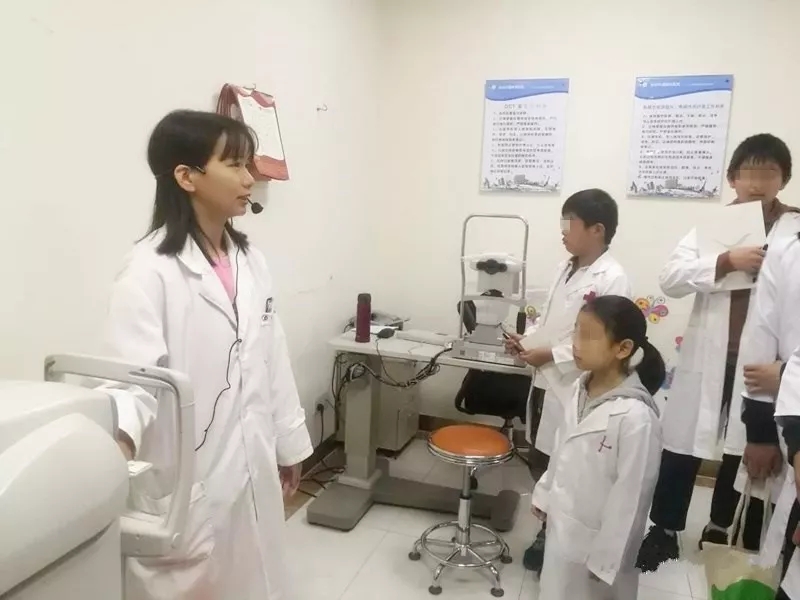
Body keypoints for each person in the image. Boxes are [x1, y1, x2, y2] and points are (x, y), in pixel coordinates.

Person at [103, 110, 313, 599]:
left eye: (248, 165)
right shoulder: (147, 272)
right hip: (187, 480)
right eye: (235, 165)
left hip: (251, 459)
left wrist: (289, 444)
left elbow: (272, 358)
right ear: (187, 176)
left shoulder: (250, 261)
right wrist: (116, 446)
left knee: (255, 579)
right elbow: (133, 382)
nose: (249, 178)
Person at [637, 133, 797, 571]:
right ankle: (664, 529)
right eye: (749, 173)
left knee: (743, 445)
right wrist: (726, 261)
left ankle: (721, 527)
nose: (758, 183)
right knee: (682, 444)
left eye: (770, 173)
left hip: (763, 366)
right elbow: (670, 279)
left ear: (783, 179)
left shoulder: (794, 230)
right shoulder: (712, 227)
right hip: (709, 359)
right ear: (732, 178)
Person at [504, 188, 632, 573]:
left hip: (580, 386)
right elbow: (550, 322)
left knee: (572, 468)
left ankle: (562, 540)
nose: (562, 231)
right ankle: (549, 530)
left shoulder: (612, 278)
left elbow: (604, 344)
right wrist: (526, 341)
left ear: (597, 229)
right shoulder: (565, 268)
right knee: (542, 457)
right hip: (548, 381)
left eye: (569, 223)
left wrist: (550, 355)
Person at [531, 295, 665, 600]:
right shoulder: (579, 388)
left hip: (599, 545)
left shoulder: (636, 417)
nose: (576, 344)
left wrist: (608, 559)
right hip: (563, 526)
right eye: (576, 332)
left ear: (623, 349)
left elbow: (632, 498)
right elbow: (562, 448)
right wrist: (545, 492)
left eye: (589, 336)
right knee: (555, 588)